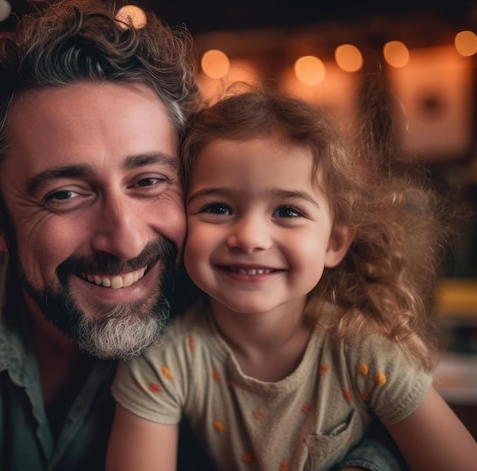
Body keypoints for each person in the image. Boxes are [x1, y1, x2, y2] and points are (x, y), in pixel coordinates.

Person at [0, 1, 407, 470]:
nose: (122, 240)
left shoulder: (235, 286)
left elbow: (363, 418)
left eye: (148, 181)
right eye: (64, 194)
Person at [107, 87, 477, 471]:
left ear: (334, 242)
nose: (250, 238)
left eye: (287, 211)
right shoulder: (161, 362)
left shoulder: (367, 351)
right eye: (218, 207)